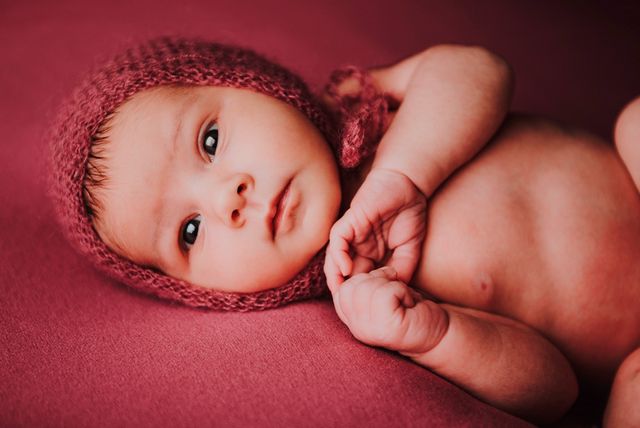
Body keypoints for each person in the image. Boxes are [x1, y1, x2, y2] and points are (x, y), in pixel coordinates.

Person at [49, 38, 640, 425]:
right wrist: (434, 333)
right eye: (190, 231)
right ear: (204, 294)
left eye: (210, 141)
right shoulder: (370, 291)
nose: (229, 198)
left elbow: (479, 70)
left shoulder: (368, 108)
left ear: (253, 84)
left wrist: (404, 174)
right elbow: (555, 391)